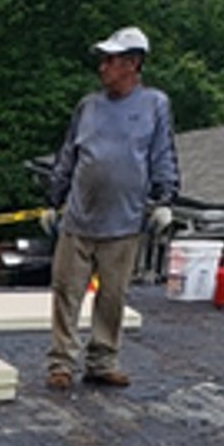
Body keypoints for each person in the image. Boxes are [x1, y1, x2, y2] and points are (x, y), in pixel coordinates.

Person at [44, 26, 178, 390]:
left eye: (111, 60)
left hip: (123, 221)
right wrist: (54, 199)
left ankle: (102, 361)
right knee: (66, 292)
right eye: (103, 60)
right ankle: (61, 364)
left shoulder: (154, 105)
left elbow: (162, 154)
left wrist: (164, 199)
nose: (103, 67)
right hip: (79, 219)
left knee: (113, 297)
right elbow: (69, 153)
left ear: (132, 64)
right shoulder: (89, 107)